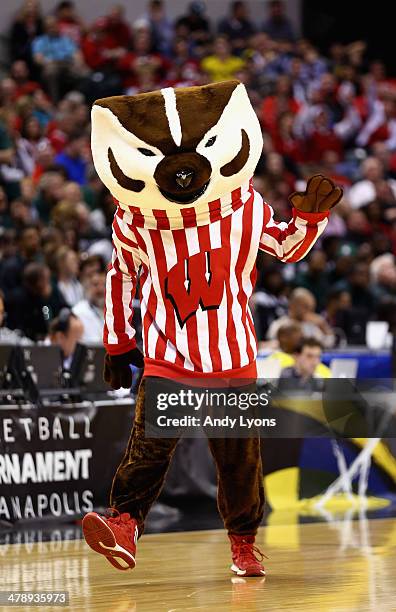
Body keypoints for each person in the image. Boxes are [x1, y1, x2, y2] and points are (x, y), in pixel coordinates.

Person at [5, 262, 67, 341]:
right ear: (38, 282)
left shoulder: (45, 296)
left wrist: (47, 300)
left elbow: (47, 320)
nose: (49, 284)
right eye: (46, 280)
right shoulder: (17, 299)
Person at [32, 16, 86, 102]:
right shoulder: (40, 41)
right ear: (45, 29)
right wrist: (47, 62)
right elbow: (37, 59)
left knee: (84, 73)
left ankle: (79, 101)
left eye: (54, 26)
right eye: (49, 27)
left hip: (67, 64)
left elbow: (76, 53)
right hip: (51, 64)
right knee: (51, 72)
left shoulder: (65, 39)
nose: (52, 28)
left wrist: (78, 63)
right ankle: (55, 101)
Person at [267, 287, 335, 348]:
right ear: (292, 304)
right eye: (306, 307)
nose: (310, 311)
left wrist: (324, 326)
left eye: (311, 308)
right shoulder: (279, 324)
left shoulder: (312, 326)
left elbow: (328, 345)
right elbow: (272, 346)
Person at [72, 271, 106, 343]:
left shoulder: (114, 312)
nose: (100, 289)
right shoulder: (78, 311)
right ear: (87, 287)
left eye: (104, 285)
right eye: (95, 284)